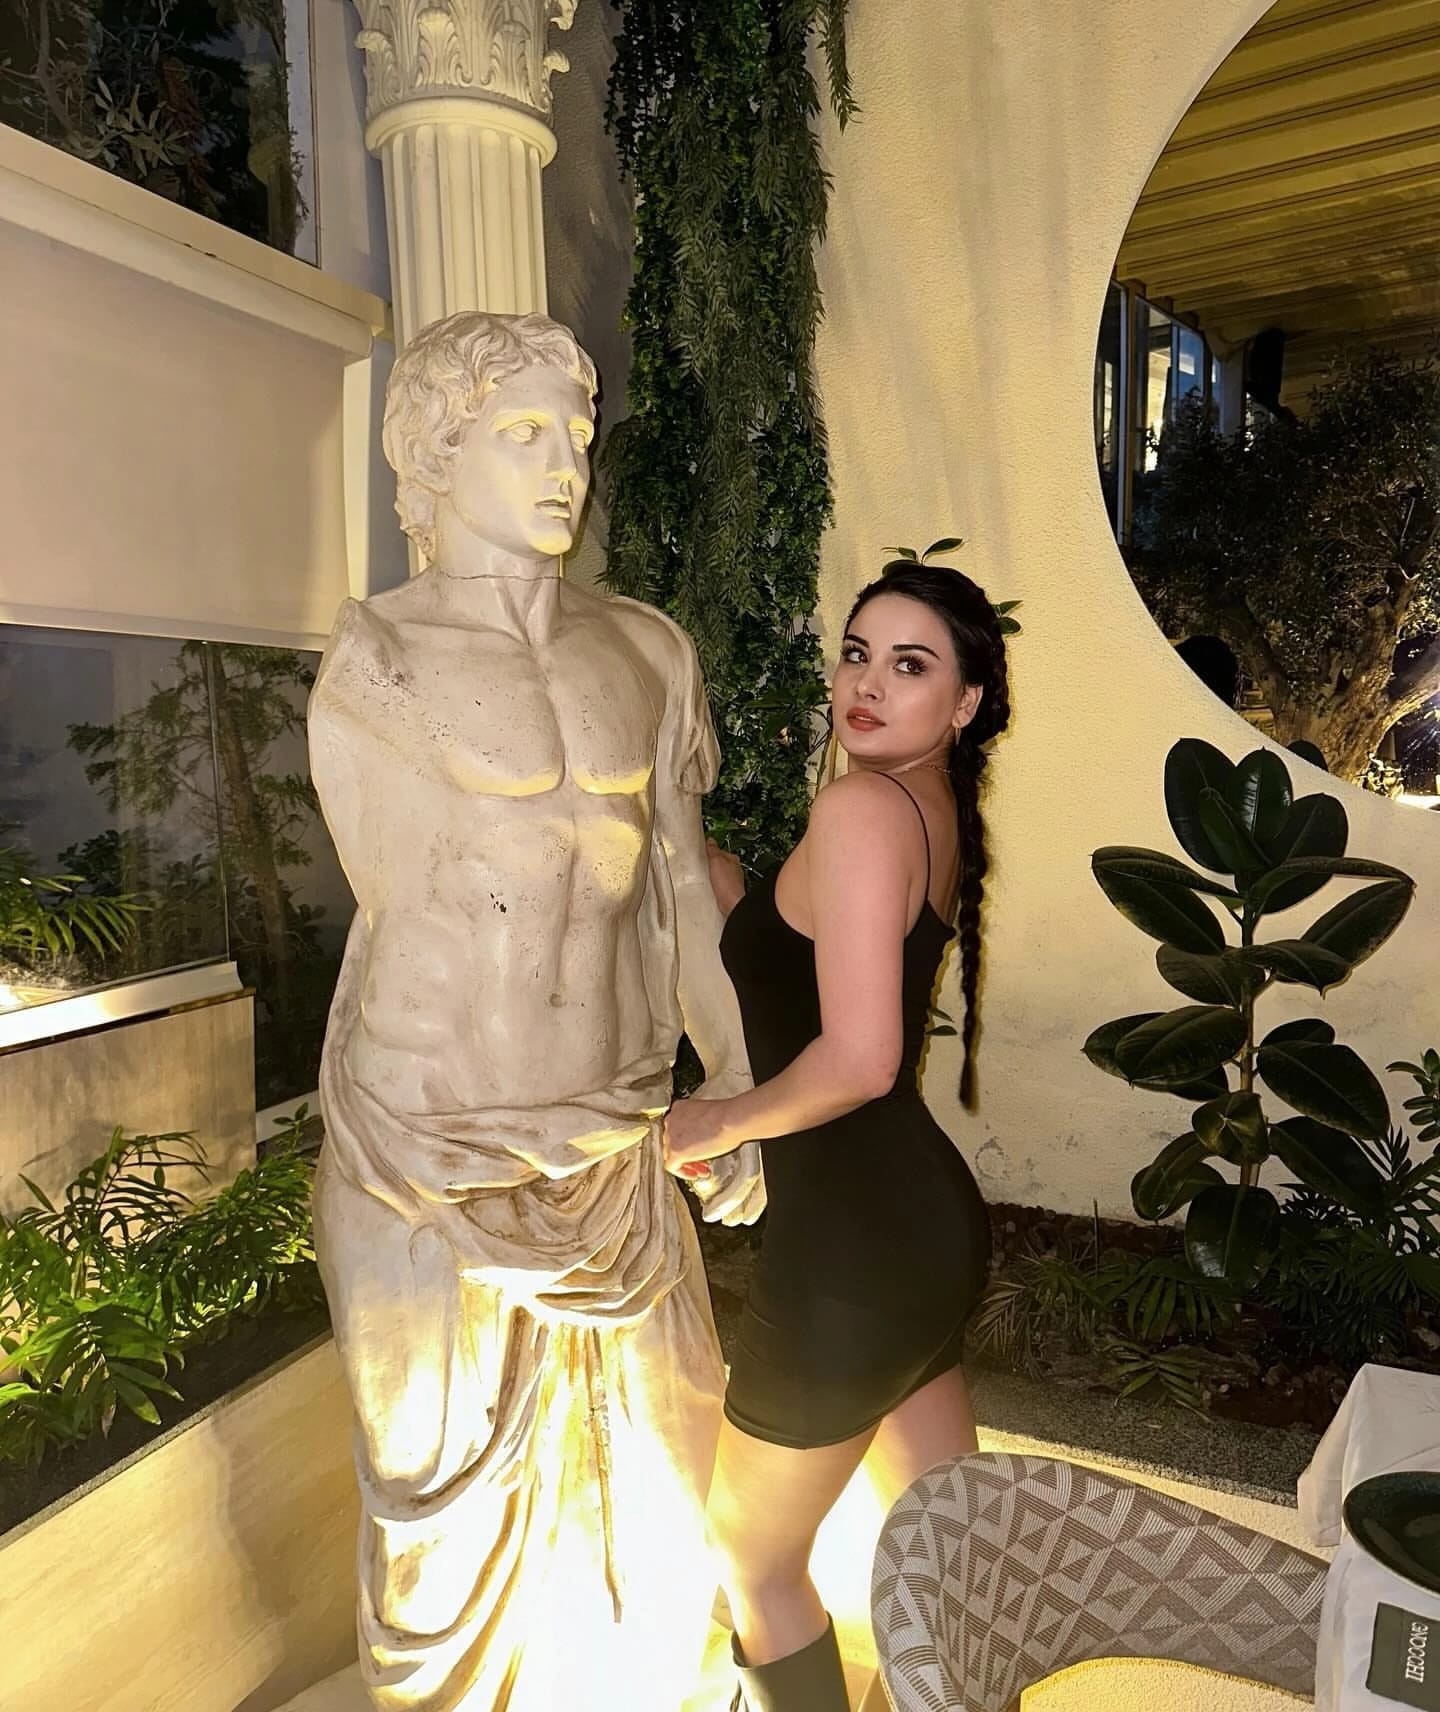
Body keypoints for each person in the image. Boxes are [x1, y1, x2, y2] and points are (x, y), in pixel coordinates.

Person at [307, 309, 763, 1712]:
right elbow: (391, 903)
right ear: (433, 455)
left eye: (576, 433)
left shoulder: (648, 650)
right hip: (422, 1144)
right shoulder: (374, 657)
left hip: (613, 1143)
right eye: (521, 433)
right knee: (432, 1502)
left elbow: (679, 889)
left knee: (669, 1457)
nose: (567, 463)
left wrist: (735, 1082)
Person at [664, 560, 1011, 1710]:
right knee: (952, 1565)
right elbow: (829, 961)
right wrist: (738, 901)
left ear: (964, 701)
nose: (866, 682)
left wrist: (718, 1118)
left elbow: (860, 1058)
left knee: (751, 1557)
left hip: (852, 1256)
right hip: (916, 1239)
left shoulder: (861, 809)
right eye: (857, 652)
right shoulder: (921, 803)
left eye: (910, 664)